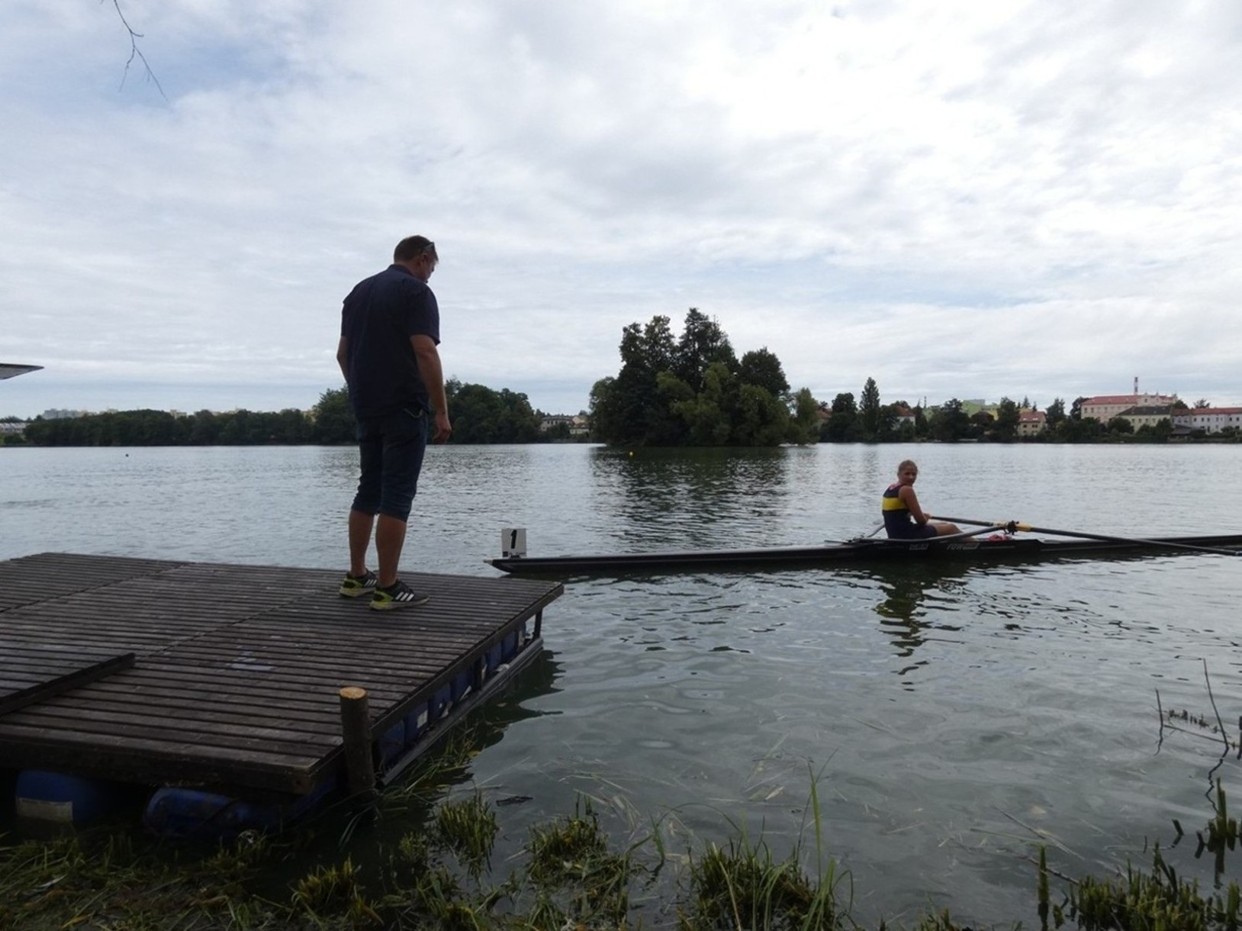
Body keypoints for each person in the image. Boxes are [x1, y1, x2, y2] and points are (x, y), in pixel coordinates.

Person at [336, 235, 452, 610]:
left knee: (367, 490)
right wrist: (441, 410)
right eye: (431, 267)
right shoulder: (415, 292)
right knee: (397, 496)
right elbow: (425, 351)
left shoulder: (358, 293)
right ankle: (387, 587)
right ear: (422, 258)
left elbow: (342, 354)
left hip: (366, 407)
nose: (430, 275)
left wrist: (361, 392)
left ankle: (357, 576)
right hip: (404, 407)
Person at [881, 460, 960, 539]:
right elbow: (921, 521)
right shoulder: (907, 490)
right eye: (907, 474)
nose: (911, 477)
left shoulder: (891, 488)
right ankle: (968, 544)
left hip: (894, 534)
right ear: (898, 474)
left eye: (914, 474)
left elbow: (896, 513)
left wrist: (917, 514)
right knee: (952, 528)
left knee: (944, 524)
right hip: (907, 535)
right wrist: (926, 517)